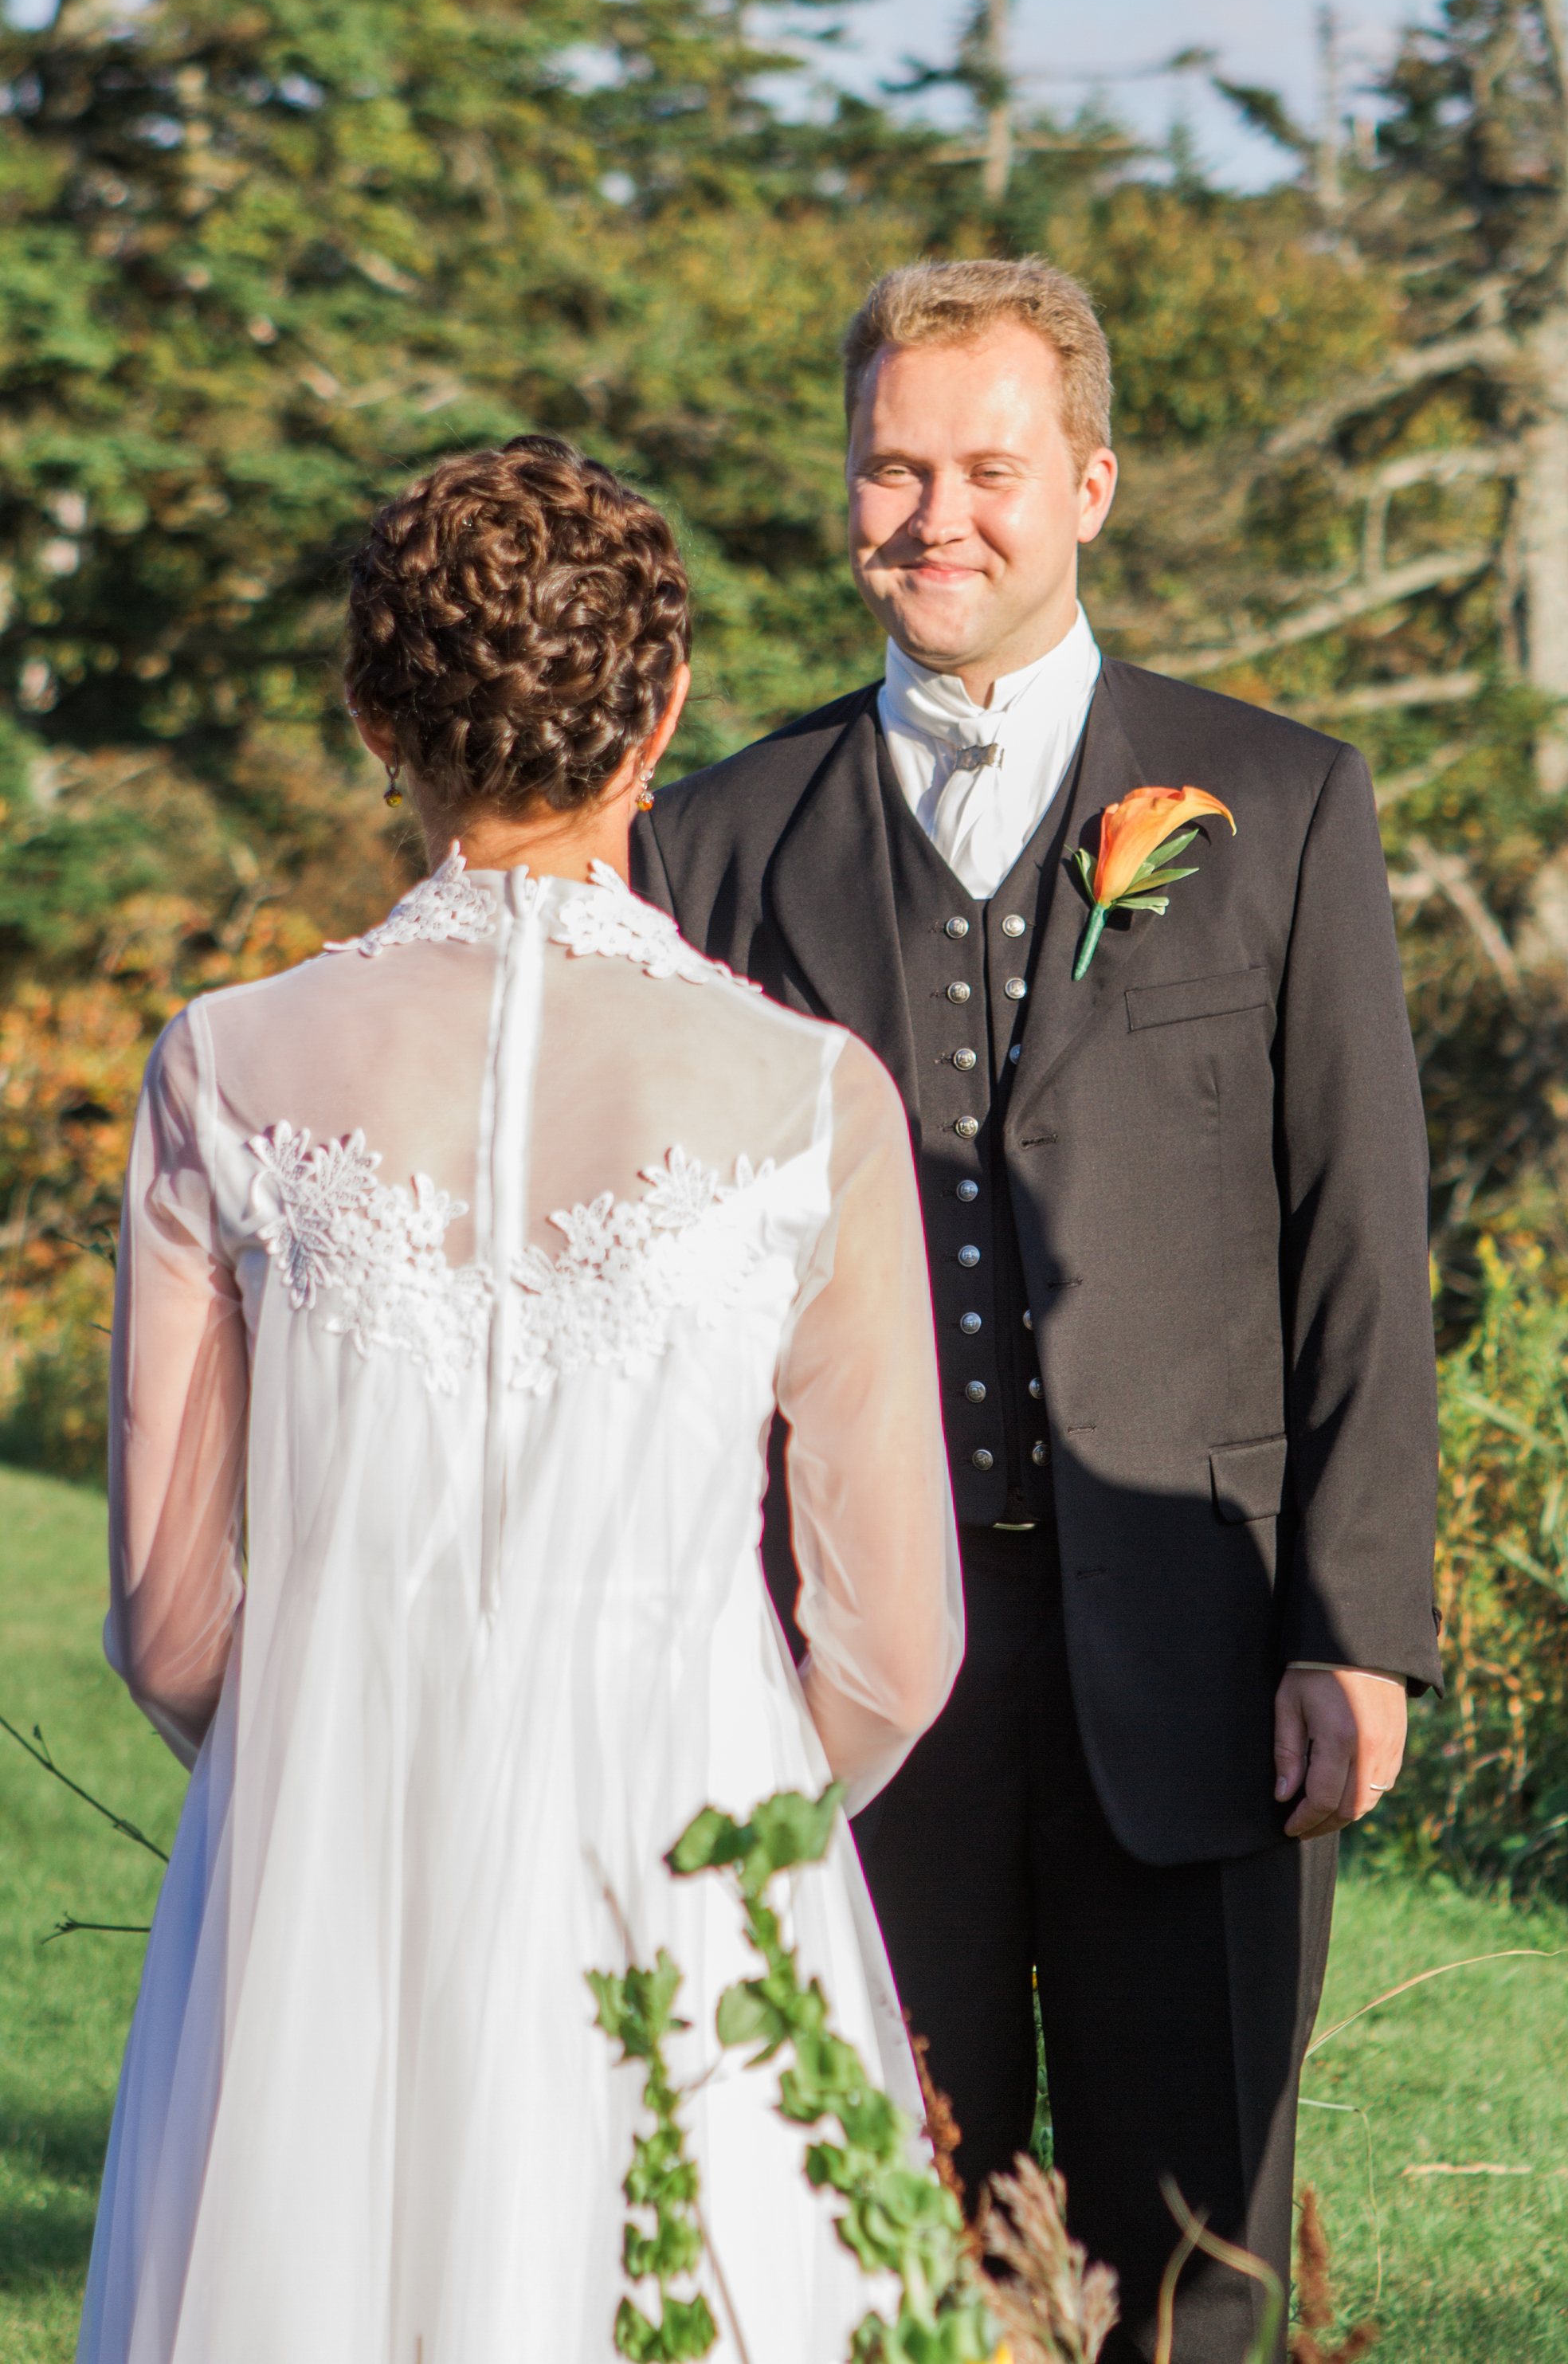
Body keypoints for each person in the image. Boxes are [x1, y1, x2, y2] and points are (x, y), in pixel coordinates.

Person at [81, 437, 962, 2364]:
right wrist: (714, 1798)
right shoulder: (813, 1099)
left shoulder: (220, 1067)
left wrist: (336, 1768)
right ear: (656, 721)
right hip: (690, 1880)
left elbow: (166, 1621)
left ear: (375, 718)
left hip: (326, 1893)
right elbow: (892, 1649)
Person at [636, 260, 1442, 2362]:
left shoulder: (1279, 803)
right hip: (848, 1672)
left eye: (984, 466)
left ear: (1085, 482)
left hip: (1199, 1663)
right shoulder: (717, 843)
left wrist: (1351, 1628)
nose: (934, 514)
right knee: (875, 2230)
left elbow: (1356, 1236)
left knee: (1197, 2266)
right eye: (892, 467)